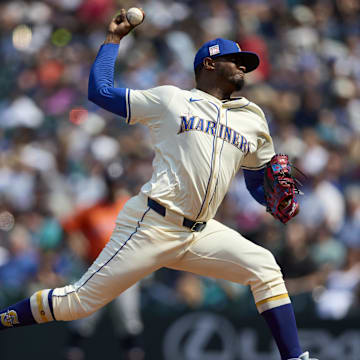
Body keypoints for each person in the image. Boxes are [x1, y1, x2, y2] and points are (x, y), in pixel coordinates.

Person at [0, 9, 318, 360]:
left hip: (201, 232)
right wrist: (113, 40)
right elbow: (100, 91)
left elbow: (258, 182)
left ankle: (295, 359)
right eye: (235, 60)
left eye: (245, 62)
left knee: (265, 268)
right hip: (152, 224)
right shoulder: (172, 99)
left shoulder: (253, 118)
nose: (244, 67)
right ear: (209, 65)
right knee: (77, 303)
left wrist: (272, 199)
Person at [61, 173, 144, 360]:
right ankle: (72, 351)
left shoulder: (131, 206)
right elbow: (68, 226)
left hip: (124, 271)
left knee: (128, 317)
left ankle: (133, 353)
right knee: (84, 317)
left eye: (115, 183)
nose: (113, 187)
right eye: (110, 183)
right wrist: (78, 245)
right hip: (96, 270)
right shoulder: (92, 209)